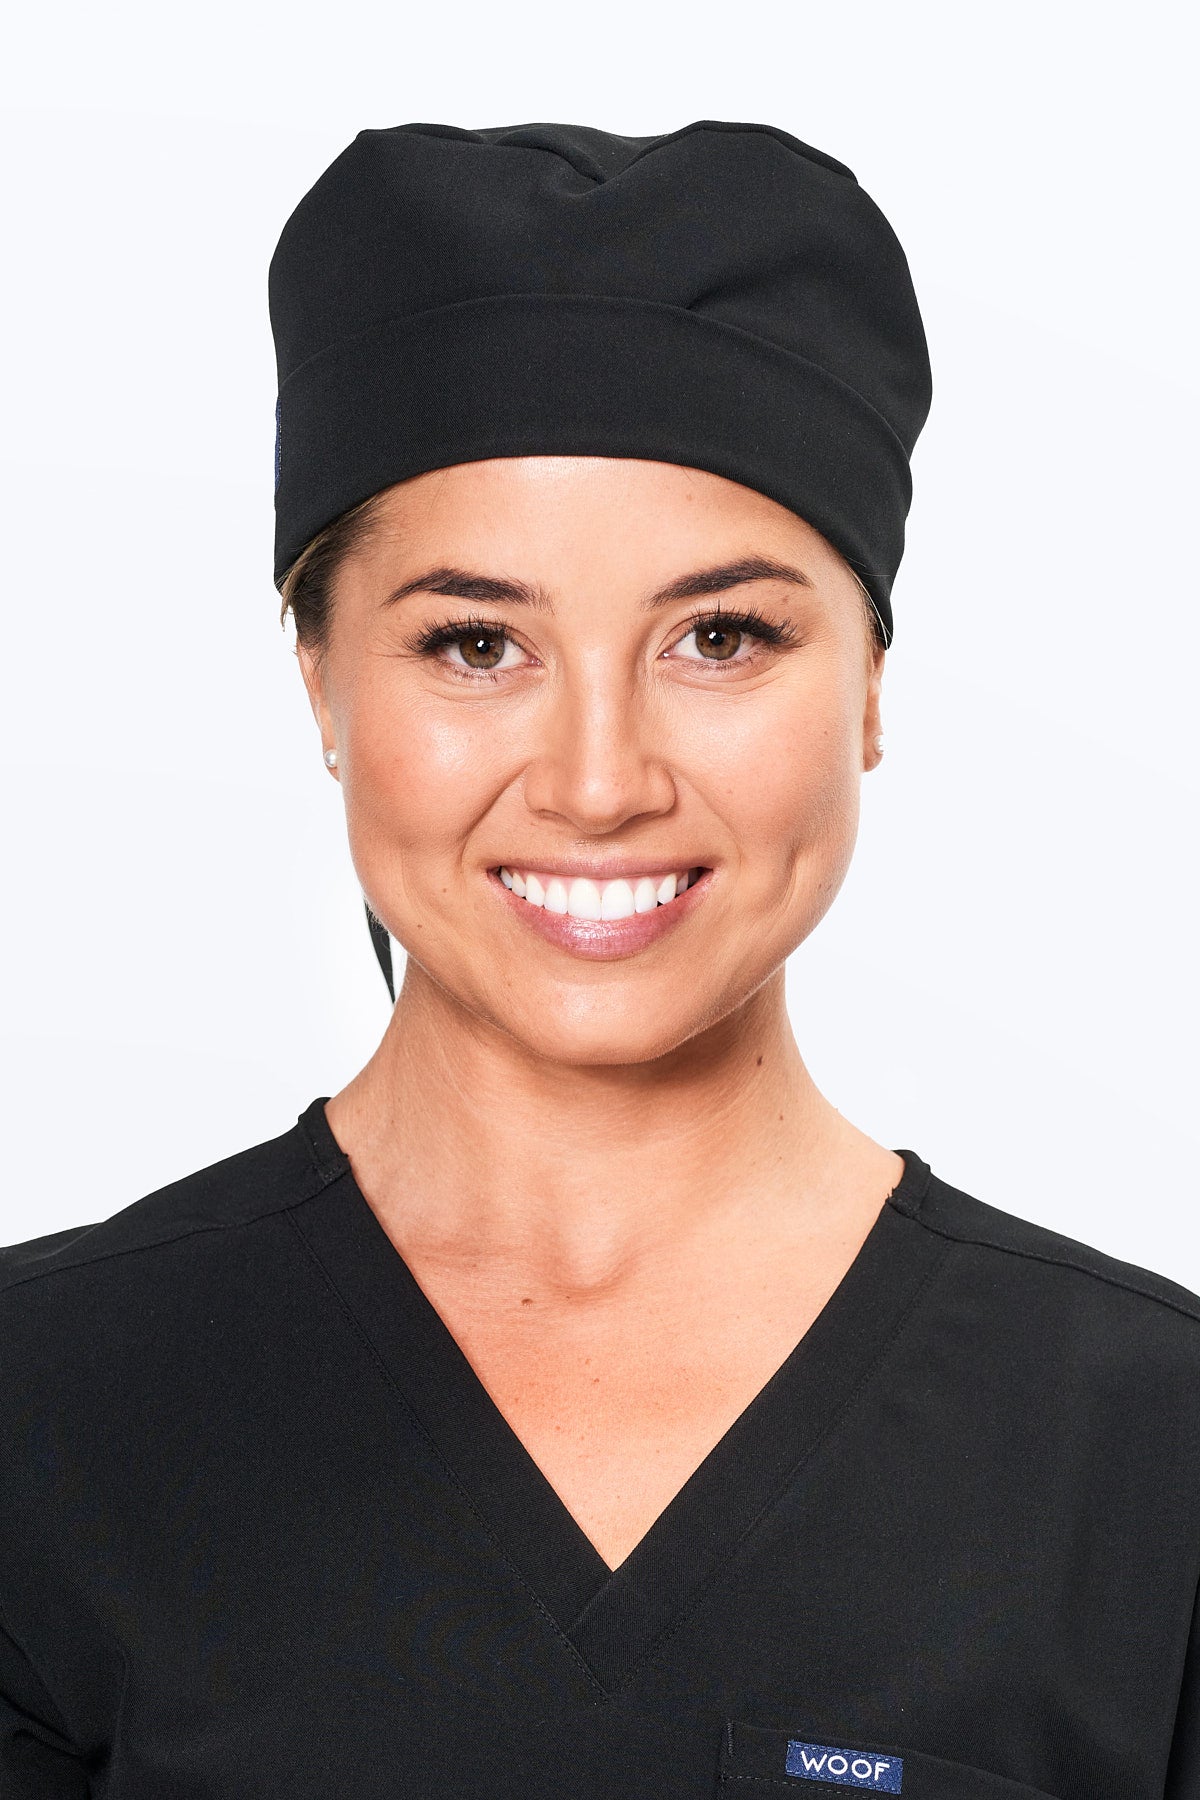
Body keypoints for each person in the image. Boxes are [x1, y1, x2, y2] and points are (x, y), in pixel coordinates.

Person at [2, 118, 1197, 1800]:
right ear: (322, 683)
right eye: (475, 643)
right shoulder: (44, 1421)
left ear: (869, 683)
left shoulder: (1146, 1461)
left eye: (721, 636)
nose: (597, 780)